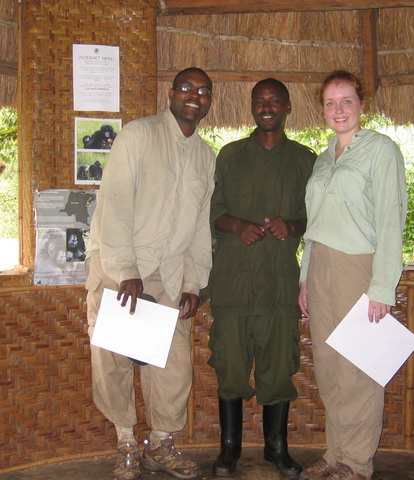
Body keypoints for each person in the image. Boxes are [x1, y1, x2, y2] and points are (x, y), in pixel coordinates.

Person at [84, 67, 215, 480]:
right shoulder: (138, 136)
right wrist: (125, 270)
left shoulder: (207, 157)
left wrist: (193, 282)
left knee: (173, 364)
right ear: (171, 93)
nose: (194, 96)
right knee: (114, 361)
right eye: (187, 88)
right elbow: (116, 203)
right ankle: (125, 443)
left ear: (210, 101)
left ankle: (160, 444)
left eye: (203, 91)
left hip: (169, 274)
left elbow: (201, 226)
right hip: (119, 269)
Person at [298, 71, 408, 480]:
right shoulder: (324, 157)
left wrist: (381, 287)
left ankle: (358, 464)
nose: (338, 110)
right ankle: (335, 453)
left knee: (359, 369)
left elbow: (391, 220)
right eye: (330, 103)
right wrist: (306, 277)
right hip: (322, 266)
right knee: (329, 367)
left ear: (362, 105)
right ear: (322, 110)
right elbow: (315, 224)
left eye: (346, 101)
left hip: (358, 268)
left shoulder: (381, 150)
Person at [209, 78, 317, 478]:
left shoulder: (306, 161)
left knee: (277, 370)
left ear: (287, 108)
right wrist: (237, 225)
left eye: (275, 101)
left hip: (279, 287)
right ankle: (230, 449)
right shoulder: (230, 156)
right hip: (234, 285)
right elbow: (212, 211)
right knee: (230, 370)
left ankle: (277, 448)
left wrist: (294, 225)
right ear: (251, 108)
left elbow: (317, 220)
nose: (267, 106)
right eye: (260, 101)